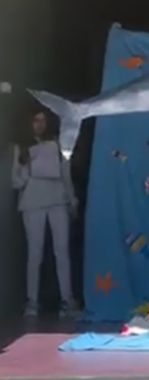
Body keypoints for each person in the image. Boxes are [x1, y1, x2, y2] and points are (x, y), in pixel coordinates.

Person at [12, 110, 79, 317]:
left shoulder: (58, 144)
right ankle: (32, 302)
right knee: (35, 254)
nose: (39, 125)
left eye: (43, 120)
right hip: (32, 203)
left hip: (57, 200)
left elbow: (65, 173)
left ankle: (67, 300)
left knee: (62, 252)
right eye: (35, 120)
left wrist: (72, 199)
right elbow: (15, 182)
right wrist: (29, 166)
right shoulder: (22, 147)